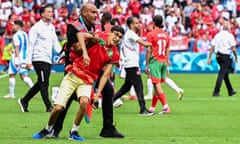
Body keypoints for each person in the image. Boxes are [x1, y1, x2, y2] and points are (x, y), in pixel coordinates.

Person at [32, 25, 125, 141]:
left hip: (87, 80)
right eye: (116, 34)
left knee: (84, 102)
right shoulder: (99, 37)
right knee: (58, 108)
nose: (117, 38)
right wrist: (85, 53)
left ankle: (74, 131)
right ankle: (48, 128)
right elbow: (80, 35)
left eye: (120, 37)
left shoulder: (115, 54)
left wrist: (97, 94)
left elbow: (105, 75)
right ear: (110, 33)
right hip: (73, 74)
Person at [50, 3, 124, 139]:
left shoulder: (93, 27)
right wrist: (91, 42)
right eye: (93, 12)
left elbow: (99, 46)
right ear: (84, 13)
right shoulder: (74, 26)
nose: (96, 15)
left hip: (91, 66)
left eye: (96, 12)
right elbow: (76, 47)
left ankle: (108, 128)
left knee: (107, 90)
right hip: (75, 64)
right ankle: (56, 128)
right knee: (69, 96)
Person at [18, 4, 61, 112]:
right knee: (44, 82)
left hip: (47, 59)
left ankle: (24, 100)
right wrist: (28, 61)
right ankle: (48, 107)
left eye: (52, 11)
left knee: (41, 83)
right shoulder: (36, 28)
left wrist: (62, 54)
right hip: (38, 58)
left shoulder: (51, 27)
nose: (51, 13)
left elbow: (55, 43)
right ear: (42, 14)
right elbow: (30, 45)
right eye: (49, 11)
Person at [113, 16, 154, 115]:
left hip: (130, 63)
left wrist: (139, 31)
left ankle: (109, 101)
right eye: (136, 23)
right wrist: (153, 44)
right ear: (131, 25)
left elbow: (139, 38)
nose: (138, 24)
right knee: (139, 86)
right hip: (131, 64)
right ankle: (143, 109)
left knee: (126, 87)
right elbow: (143, 43)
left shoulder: (131, 34)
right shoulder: (130, 34)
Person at [145, 15, 171, 114]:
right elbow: (168, 48)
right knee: (156, 85)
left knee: (156, 84)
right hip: (163, 61)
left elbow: (148, 49)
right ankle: (152, 108)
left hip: (155, 61)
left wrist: (147, 64)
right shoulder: (166, 34)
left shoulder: (150, 34)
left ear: (153, 22)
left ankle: (166, 106)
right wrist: (167, 62)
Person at [3, 20, 34, 99]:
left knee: (12, 74)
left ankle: (11, 94)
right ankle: (34, 90)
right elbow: (26, 47)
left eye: (14, 25)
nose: (12, 27)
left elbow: (17, 47)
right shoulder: (25, 34)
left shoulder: (16, 35)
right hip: (24, 57)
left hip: (17, 57)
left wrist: (16, 59)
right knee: (23, 75)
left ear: (18, 26)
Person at [207, 18, 238, 97]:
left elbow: (212, 47)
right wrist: (236, 57)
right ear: (228, 28)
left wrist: (209, 57)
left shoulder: (217, 35)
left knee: (225, 74)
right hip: (226, 56)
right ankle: (216, 91)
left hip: (218, 56)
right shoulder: (229, 36)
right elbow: (233, 49)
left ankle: (230, 90)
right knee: (222, 74)